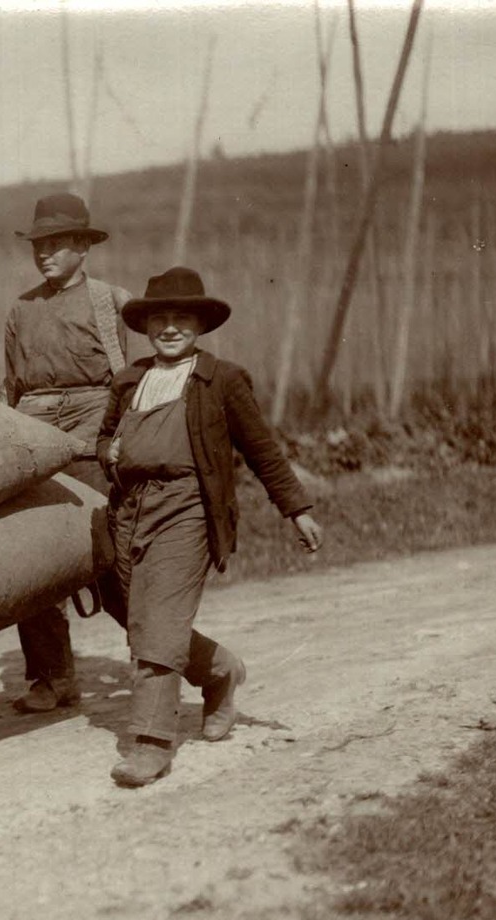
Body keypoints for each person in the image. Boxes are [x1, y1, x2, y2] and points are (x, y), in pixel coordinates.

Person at [96, 267, 323, 788]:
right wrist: (106, 452)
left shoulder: (221, 380)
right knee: (134, 614)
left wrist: (297, 509)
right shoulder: (130, 380)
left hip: (188, 508)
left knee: (158, 620)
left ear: (200, 325)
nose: (170, 328)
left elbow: (262, 450)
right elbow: (107, 438)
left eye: (182, 318)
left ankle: (151, 743)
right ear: (147, 325)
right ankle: (220, 670)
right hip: (130, 509)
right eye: (160, 318)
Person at [0, 192, 132, 713]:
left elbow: (128, 378)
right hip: (33, 422)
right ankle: (52, 677)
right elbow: (11, 388)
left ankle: (156, 657)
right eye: (39, 245)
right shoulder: (21, 308)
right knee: (25, 549)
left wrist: (117, 436)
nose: (45, 254)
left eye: (56, 244)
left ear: (83, 247)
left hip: (94, 414)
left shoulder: (110, 302)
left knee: (103, 541)